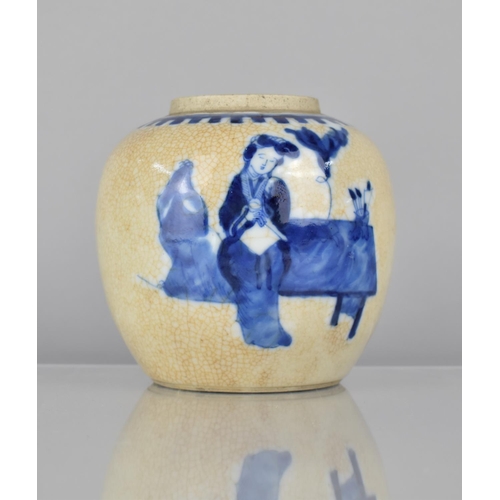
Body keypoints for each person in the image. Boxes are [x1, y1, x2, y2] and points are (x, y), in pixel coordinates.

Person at [218, 134, 299, 348]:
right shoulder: (238, 183)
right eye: (262, 157)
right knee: (251, 275)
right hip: (240, 243)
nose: (265, 164)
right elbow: (226, 218)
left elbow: (282, 220)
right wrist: (246, 216)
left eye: (271, 161)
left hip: (268, 241)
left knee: (273, 271)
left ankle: (273, 329)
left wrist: (267, 213)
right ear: (251, 155)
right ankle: (255, 334)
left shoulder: (273, 184)